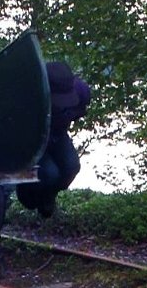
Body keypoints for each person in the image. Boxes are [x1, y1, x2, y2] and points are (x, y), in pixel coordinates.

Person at [16, 61, 91, 217]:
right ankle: (28, 198)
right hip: (34, 139)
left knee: (72, 167)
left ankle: (48, 197)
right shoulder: (29, 98)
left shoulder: (82, 92)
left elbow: (79, 112)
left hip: (58, 133)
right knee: (49, 174)